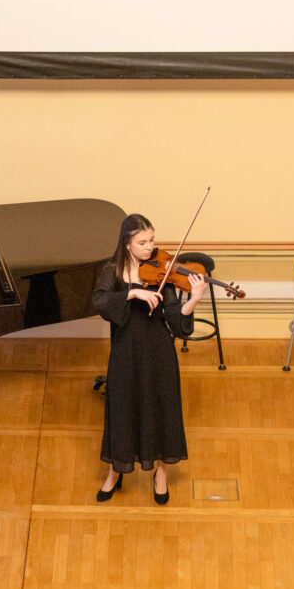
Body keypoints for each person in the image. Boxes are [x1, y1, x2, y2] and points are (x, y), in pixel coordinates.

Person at [91, 213, 206, 504]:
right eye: (142, 242)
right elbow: (100, 301)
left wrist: (194, 299)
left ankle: (161, 473)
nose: (149, 247)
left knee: (162, 410)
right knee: (122, 410)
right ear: (127, 244)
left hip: (159, 351)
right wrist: (133, 294)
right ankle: (115, 472)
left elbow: (175, 320)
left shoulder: (162, 271)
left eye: (152, 240)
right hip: (126, 351)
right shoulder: (112, 271)